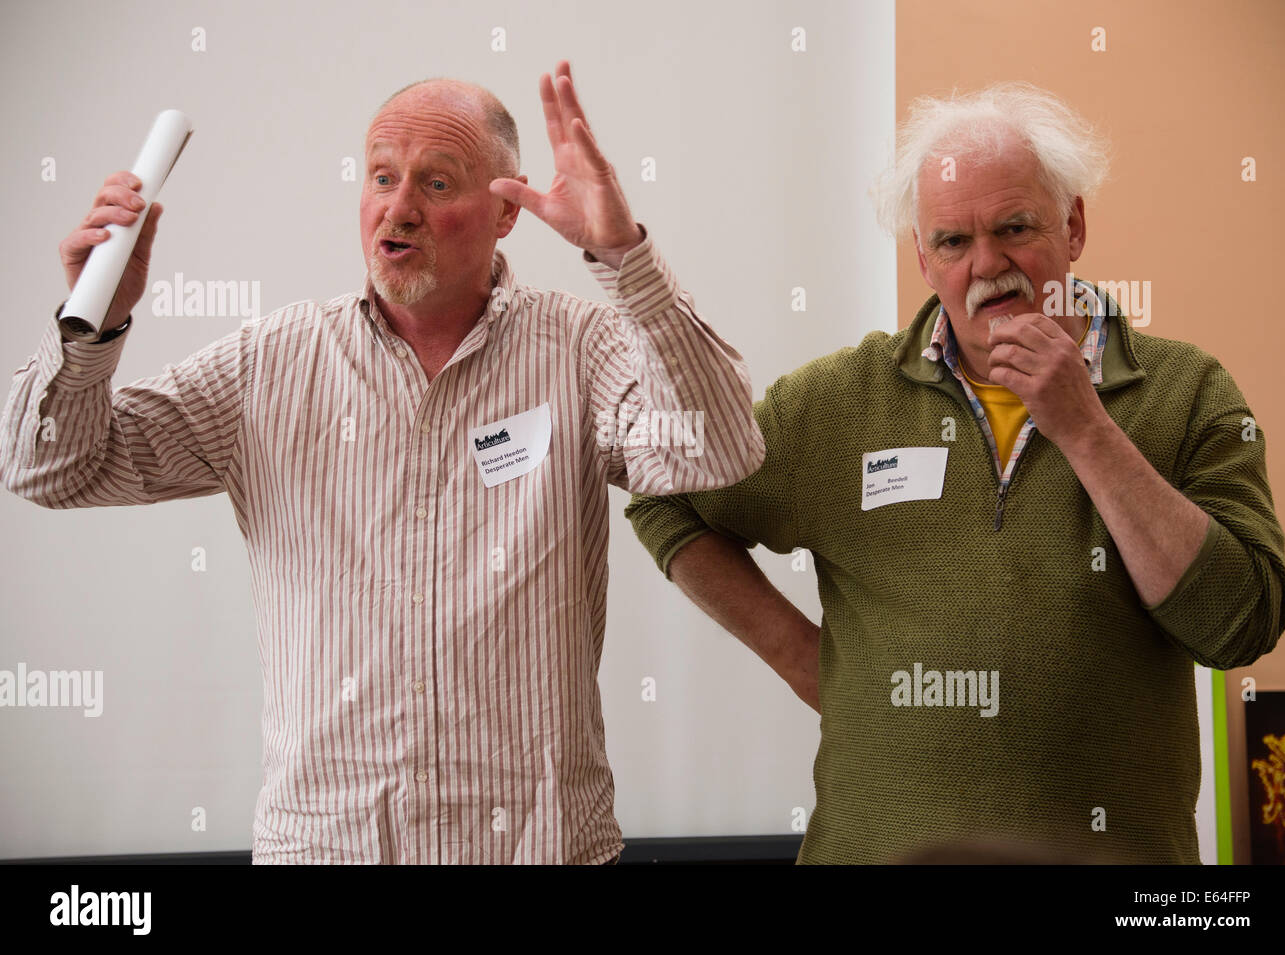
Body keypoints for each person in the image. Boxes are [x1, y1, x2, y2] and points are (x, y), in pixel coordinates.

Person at [0, 62, 764, 864]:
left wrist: (624, 258)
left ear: (507, 212)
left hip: (537, 848)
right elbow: (49, 467)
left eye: (436, 183)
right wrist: (91, 329)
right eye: (381, 177)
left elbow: (718, 445)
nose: (398, 209)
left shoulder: (579, 347)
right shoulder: (272, 363)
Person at [624, 82, 1285, 864]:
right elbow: (664, 492)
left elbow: (1242, 622)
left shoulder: (1187, 393)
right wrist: (804, 659)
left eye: (1015, 228)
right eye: (952, 241)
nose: (988, 265)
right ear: (920, 254)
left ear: (1073, 224)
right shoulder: (841, 400)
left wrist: (1085, 426)